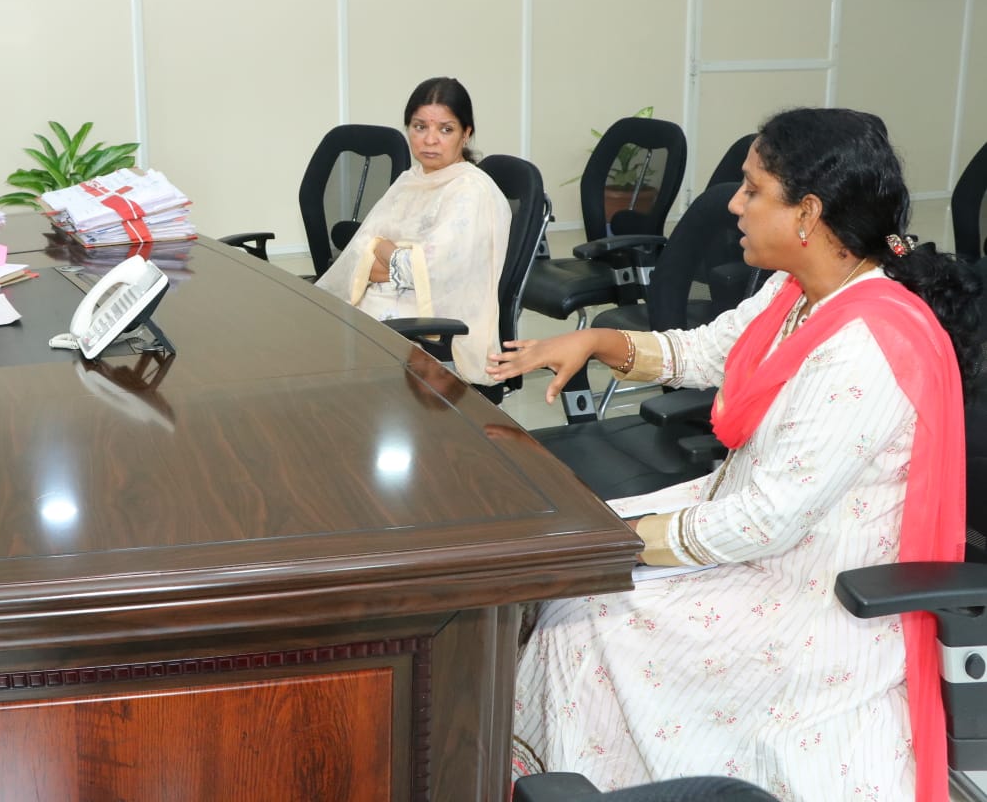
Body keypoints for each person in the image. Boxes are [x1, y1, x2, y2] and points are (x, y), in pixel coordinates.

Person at [487, 108, 982, 801]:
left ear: (806, 212)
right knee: (569, 558)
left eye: (753, 190)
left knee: (588, 614)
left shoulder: (868, 348)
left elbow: (765, 523)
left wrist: (621, 546)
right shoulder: (797, 292)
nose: (733, 203)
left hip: (813, 591)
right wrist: (598, 342)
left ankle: (593, 786)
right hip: (760, 535)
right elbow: (705, 351)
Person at [315, 77, 511, 386]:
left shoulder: (471, 190)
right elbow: (361, 249)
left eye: (445, 129)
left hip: (431, 336)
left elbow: (424, 271)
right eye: (420, 127)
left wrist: (382, 251)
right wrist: (392, 255)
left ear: (466, 134)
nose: (430, 139)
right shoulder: (412, 179)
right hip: (383, 315)